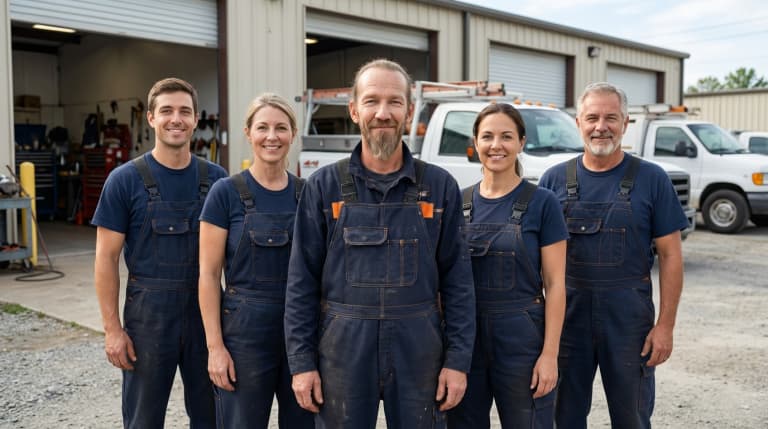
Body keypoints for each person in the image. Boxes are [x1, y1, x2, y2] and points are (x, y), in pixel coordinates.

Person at [284, 58, 476, 429]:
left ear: (410, 111)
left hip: (420, 348)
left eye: (394, 102)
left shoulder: (439, 187)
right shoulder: (323, 187)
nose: (383, 113)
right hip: (343, 349)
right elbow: (300, 284)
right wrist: (302, 364)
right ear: (354, 110)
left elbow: (459, 284)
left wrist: (457, 361)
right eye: (371, 101)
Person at [538, 82, 687, 429]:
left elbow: (670, 256)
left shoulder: (652, 179)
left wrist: (665, 326)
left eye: (611, 118)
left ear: (625, 123)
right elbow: (535, 261)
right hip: (567, 318)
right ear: (578, 122)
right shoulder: (553, 180)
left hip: (629, 320)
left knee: (631, 416)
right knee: (564, 415)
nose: (600, 126)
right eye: (592, 117)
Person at [93, 77, 228, 428]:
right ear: (151, 118)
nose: (176, 119)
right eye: (166, 111)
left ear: (196, 119)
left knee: (213, 415)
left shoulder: (217, 179)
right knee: (143, 418)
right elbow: (106, 260)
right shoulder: (124, 180)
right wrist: (112, 330)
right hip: (148, 318)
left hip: (207, 315)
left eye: (184, 111)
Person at [447, 103, 567, 429]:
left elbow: (555, 285)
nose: (496, 145)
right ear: (474, 142)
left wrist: (549, 356)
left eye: (506, 136)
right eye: (487, 136)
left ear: (521, 142)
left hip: (522, 339)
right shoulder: (458, 202)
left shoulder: (543, 203)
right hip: (466, 340)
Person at [198, 93, 314, 428]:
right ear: (248, 133)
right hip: (244, 335)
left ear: (292, 133)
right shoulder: (225, 193)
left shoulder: (308, 193)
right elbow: (207, 276)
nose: (272, 136)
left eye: (281, 128)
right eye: (262, 127)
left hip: (301, 333)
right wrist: (215, 347)